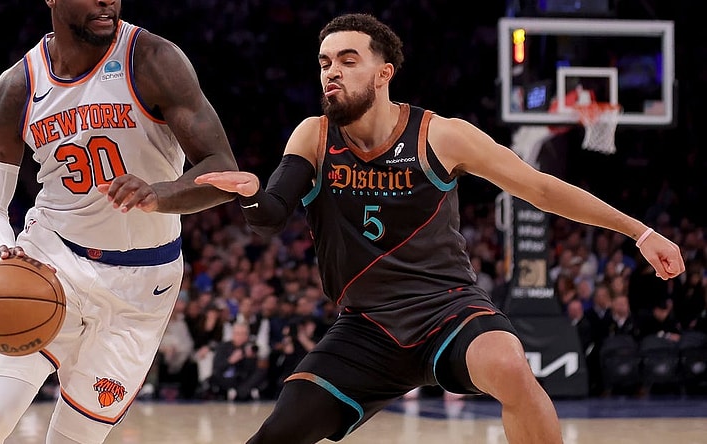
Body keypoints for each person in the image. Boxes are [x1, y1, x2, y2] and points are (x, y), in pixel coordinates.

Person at [195, 13, 686, 444]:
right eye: (324, 63)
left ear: (384, 73)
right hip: (367, 326)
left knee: (510, 366)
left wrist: (639, 231)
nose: (331, 73)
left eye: (347, 60)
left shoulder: (441, 134)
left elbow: (539, 189)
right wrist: (251, 194)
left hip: (448, 309)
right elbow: (270, 215)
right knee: (275, 436)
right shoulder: (315, 135)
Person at [0, 0, 238, 442]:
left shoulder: (153, 59)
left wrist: (159, 194)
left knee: (74, 439)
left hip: (143, 285)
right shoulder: (18, 86)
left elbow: (223, 172)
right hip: (50, 262)